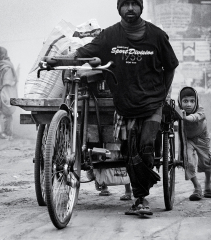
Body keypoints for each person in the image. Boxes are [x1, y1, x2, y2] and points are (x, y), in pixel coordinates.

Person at [45, 0, 178, 215]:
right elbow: (83, 53)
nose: (130, 9)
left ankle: (141, 198)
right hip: (125, 105)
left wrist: (162, 93)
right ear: (119, 9)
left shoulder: (157, 36)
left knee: (146, 145)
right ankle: (140, 194)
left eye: (135, 4)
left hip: (153, 103)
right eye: (125, 4)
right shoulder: (110, 36)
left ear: (141, 7)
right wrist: (58, 60)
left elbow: (170, 66)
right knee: (129, 151)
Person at [178, 86, 211, 201]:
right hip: (187, 138)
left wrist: (186, 118)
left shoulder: (200, 109)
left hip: (201, 137)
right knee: (188, 162)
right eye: (185, 101)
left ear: (196, 101)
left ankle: (208, 183)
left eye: (192, 101)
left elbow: (197, 117)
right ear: (180, 101)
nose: (189, 104)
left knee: (206, 161)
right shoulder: (178, 110)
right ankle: (197, 188)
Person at [0, 46, 18, 140]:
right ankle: (6, 133)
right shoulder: (2, 65)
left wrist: (4, 93)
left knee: (6, 112)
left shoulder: (7, 66)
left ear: (3, 54)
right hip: (2, 90)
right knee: (4, 113)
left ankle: (8, 134)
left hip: (6, 91)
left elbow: (7, 81)